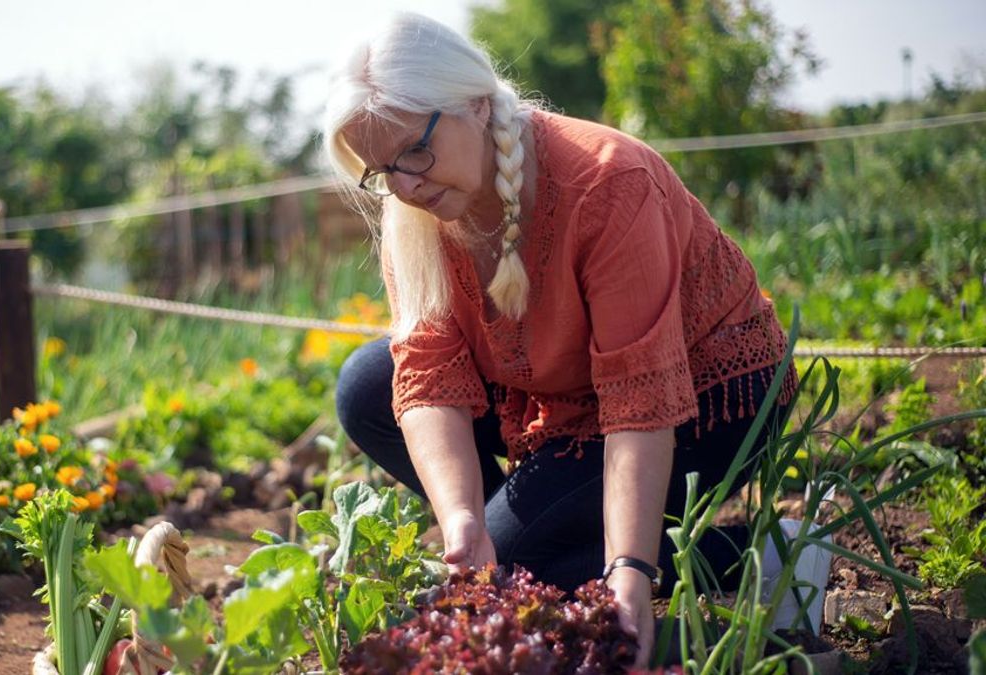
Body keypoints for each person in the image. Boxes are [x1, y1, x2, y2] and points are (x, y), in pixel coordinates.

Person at [325, 12, 823, 666]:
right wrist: (462, 519)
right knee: (368, 386)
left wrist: (630, 571)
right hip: (563, 403)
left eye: (414, 153)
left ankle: (764, 553)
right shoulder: (413, 212)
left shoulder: (607, 183)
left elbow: (638, 405)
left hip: (708, 398)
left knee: (523, 563)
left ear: (475, 104)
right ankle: (537, 528)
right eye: (381, 170)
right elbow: (428, 372)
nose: (405, 187)